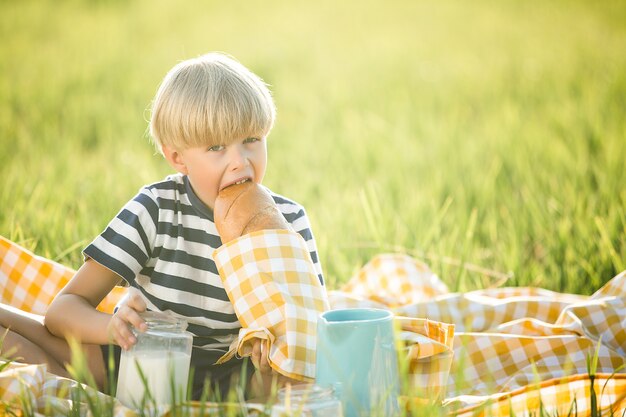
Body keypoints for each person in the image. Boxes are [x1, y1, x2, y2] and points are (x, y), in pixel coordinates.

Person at [0, 52, 325, 400]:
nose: (239, 161)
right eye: (216, 147)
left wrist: (278, 352)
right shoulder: (156, 209)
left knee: (297, 381)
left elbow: (312, 328)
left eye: (251, 140)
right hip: (138, 362)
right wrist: (113, 327)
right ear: (178, 157)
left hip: (233, 382)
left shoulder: (288, 221)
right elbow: (63, 310)